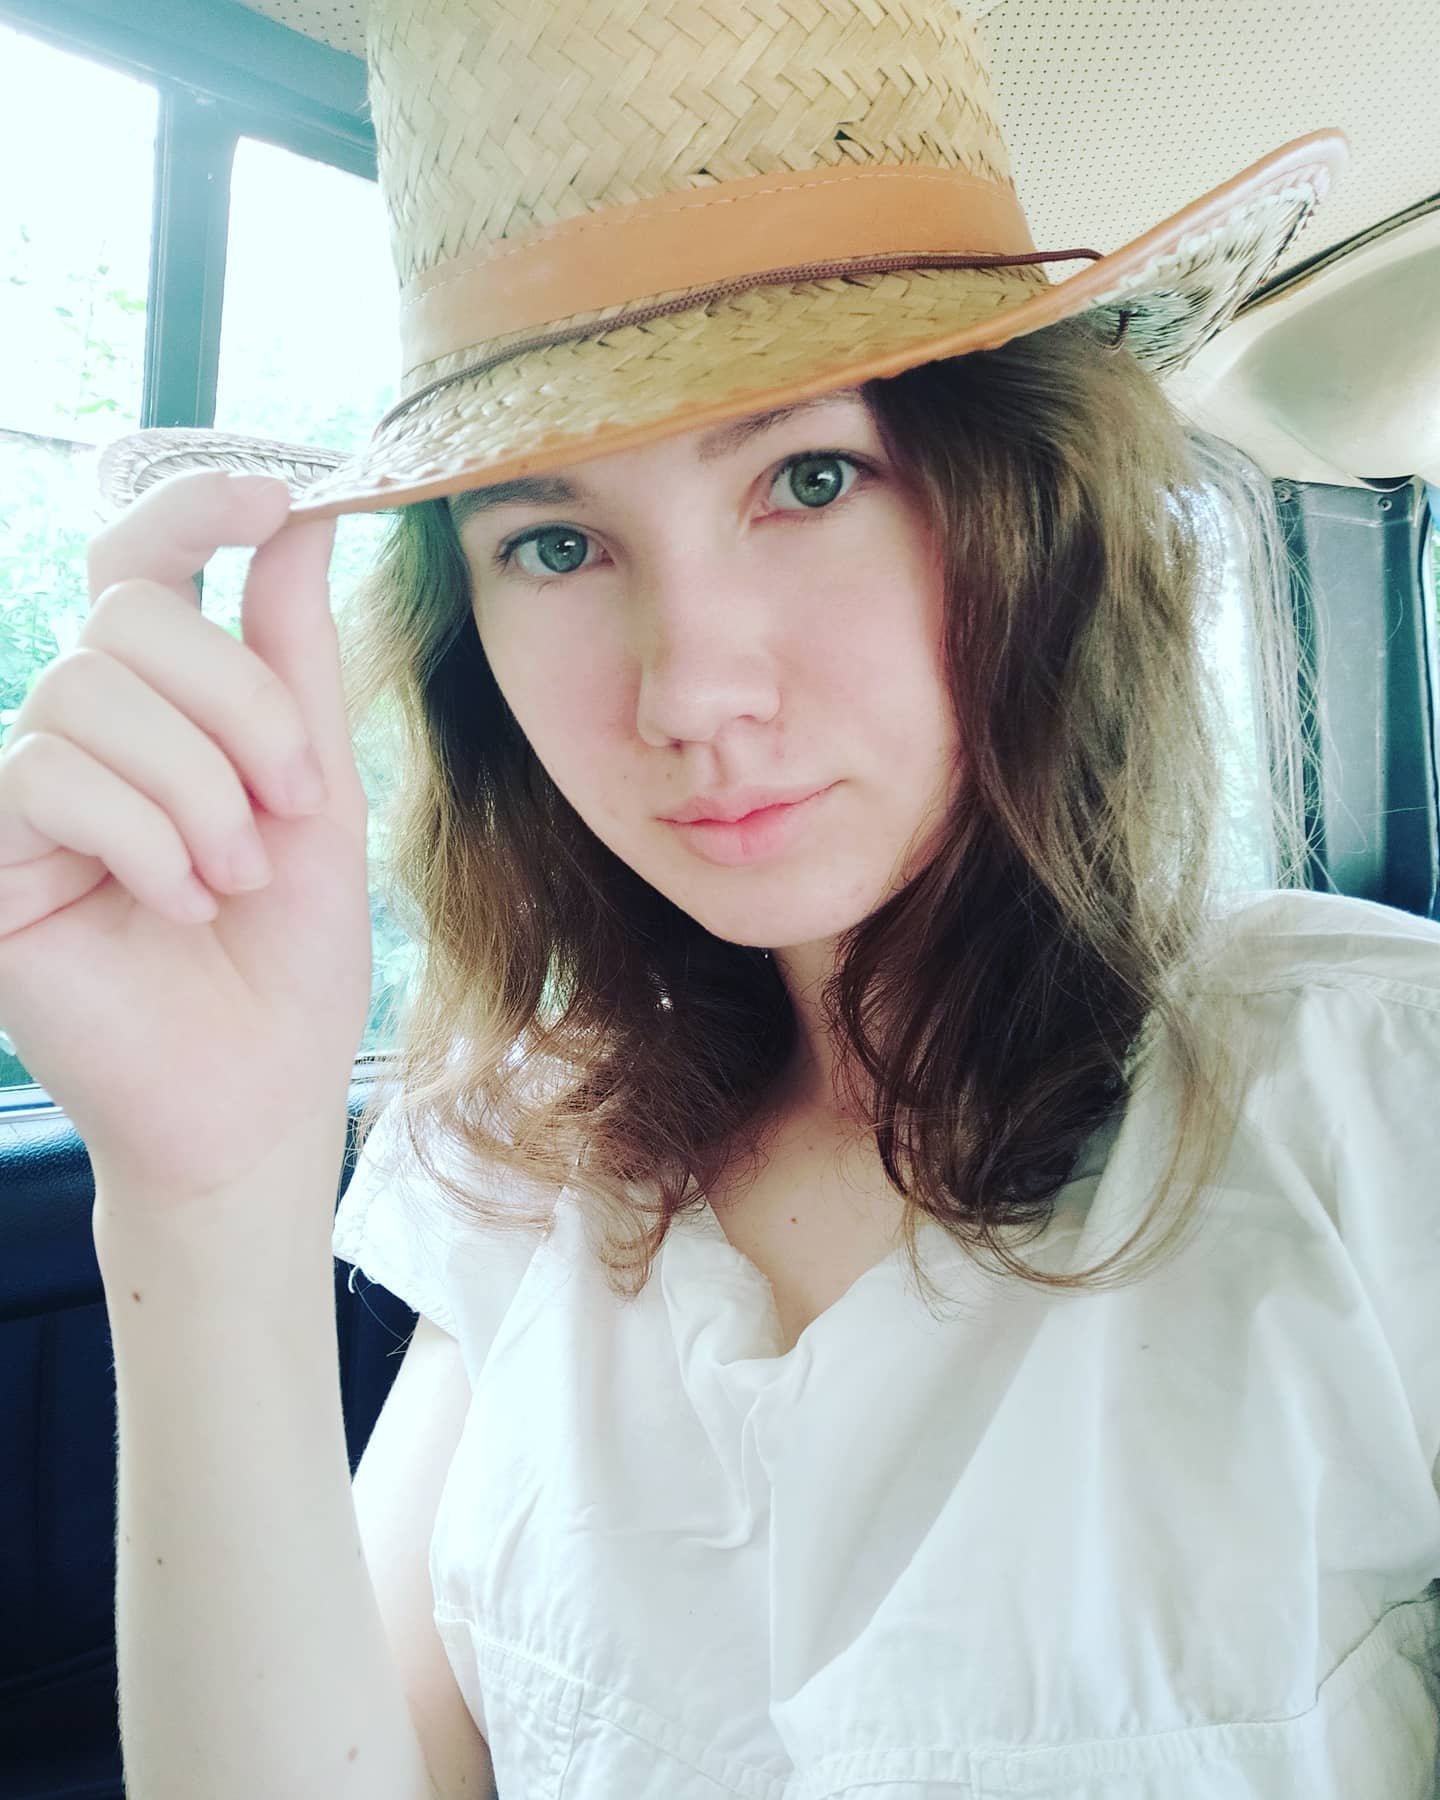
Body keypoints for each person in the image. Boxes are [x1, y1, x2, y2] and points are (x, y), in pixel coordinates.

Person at [1, 0, 1437, 1796]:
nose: (689, 690)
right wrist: (205, 1194)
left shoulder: (1378, 1098)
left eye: (810, 478)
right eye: (554, 542)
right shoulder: (519, 1161)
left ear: (1034, 519)